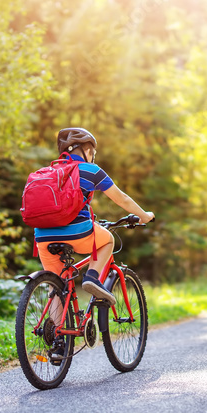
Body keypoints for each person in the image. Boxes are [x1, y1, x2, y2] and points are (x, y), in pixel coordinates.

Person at [34, 128, 154, 304]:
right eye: (93, 152)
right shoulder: (91, 170)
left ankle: (56, 330)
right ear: (87, 150)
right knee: (108, 240)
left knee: (56, 287)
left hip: (43, 236)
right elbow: (122, 199)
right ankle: (92, 277)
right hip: (77, 232)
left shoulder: (47, 172)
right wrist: (144, 216)